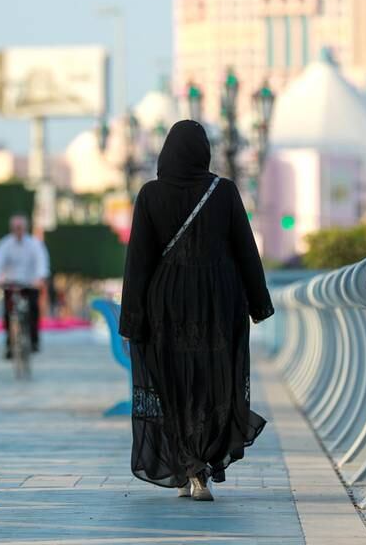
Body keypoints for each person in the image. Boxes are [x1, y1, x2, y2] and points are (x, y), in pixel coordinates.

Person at [119, 120, 274, 501]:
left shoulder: (151, 194)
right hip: (218, 302)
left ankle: (190, 465)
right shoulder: (223, 191)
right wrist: (259, 303)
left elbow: (138, 261)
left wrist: (132, 319)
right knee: (211, 381)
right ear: (204, 152)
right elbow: (245, 251)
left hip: (167, 304)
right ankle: (201, 465)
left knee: (174, 382)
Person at [0, 215, 49, 358]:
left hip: (30, 283)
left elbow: (42, 263)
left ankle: (34, 340)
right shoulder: (4, 244)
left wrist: (40, 278)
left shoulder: (35, 244)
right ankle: (10, 344)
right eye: (15, 227)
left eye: (20, 227)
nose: (18, 230)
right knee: (7, 312)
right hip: (10, 284)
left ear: (25, 228)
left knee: (33, 310)